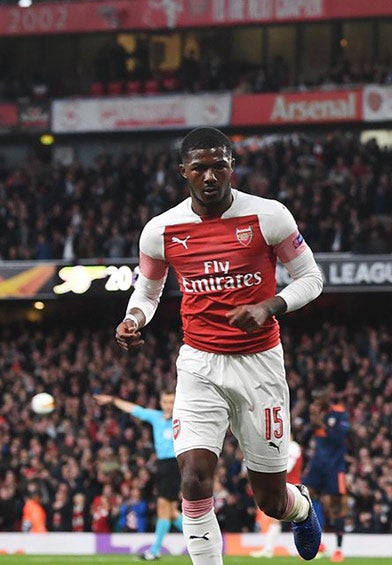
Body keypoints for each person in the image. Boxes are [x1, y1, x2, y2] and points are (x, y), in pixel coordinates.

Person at [114, 126, 325, 564]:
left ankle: (300, 506)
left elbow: (312, 279)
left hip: (259, 365)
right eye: (199, 168)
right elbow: (148, 292)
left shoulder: (269, 217)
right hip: (199, 364)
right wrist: (134, 318)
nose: (209, 176)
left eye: (218, 166)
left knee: (271, 500)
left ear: (232, 167)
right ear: (183, 172)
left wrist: (271, 305)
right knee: (191, 479)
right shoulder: (162, 230)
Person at [94, 391, 185, 560]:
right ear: (160, 402)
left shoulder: (183, 418)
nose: (168, 405)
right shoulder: (156, 417)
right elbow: (134, 409)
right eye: (165, 401)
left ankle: (156, 550)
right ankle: (199, 540)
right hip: (162, 465)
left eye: (171, 401)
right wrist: (113, 399)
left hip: (175, 464)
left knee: (163, 507)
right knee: (171, 511)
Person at [302, 388, 351, 562]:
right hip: (317, 466)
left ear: (326, 398)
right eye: (313, 399)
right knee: (305, 497)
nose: (315, 402)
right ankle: (317, 541)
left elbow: (340, 437)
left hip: (335, 467)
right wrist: (311, 423)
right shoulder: (316, 415)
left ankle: (338, 549)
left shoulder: (339, 413)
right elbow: (305, 437)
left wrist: (321, 424)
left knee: (337, 507)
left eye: (318, 398)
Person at [251, 438, 303, 558]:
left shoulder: (293, 447)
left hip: (293, 487)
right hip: (283, 486)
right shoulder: (283, 446)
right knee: (277, 518)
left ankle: (310, 548)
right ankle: (268, 549)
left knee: (298, 518)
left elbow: (288, 467)